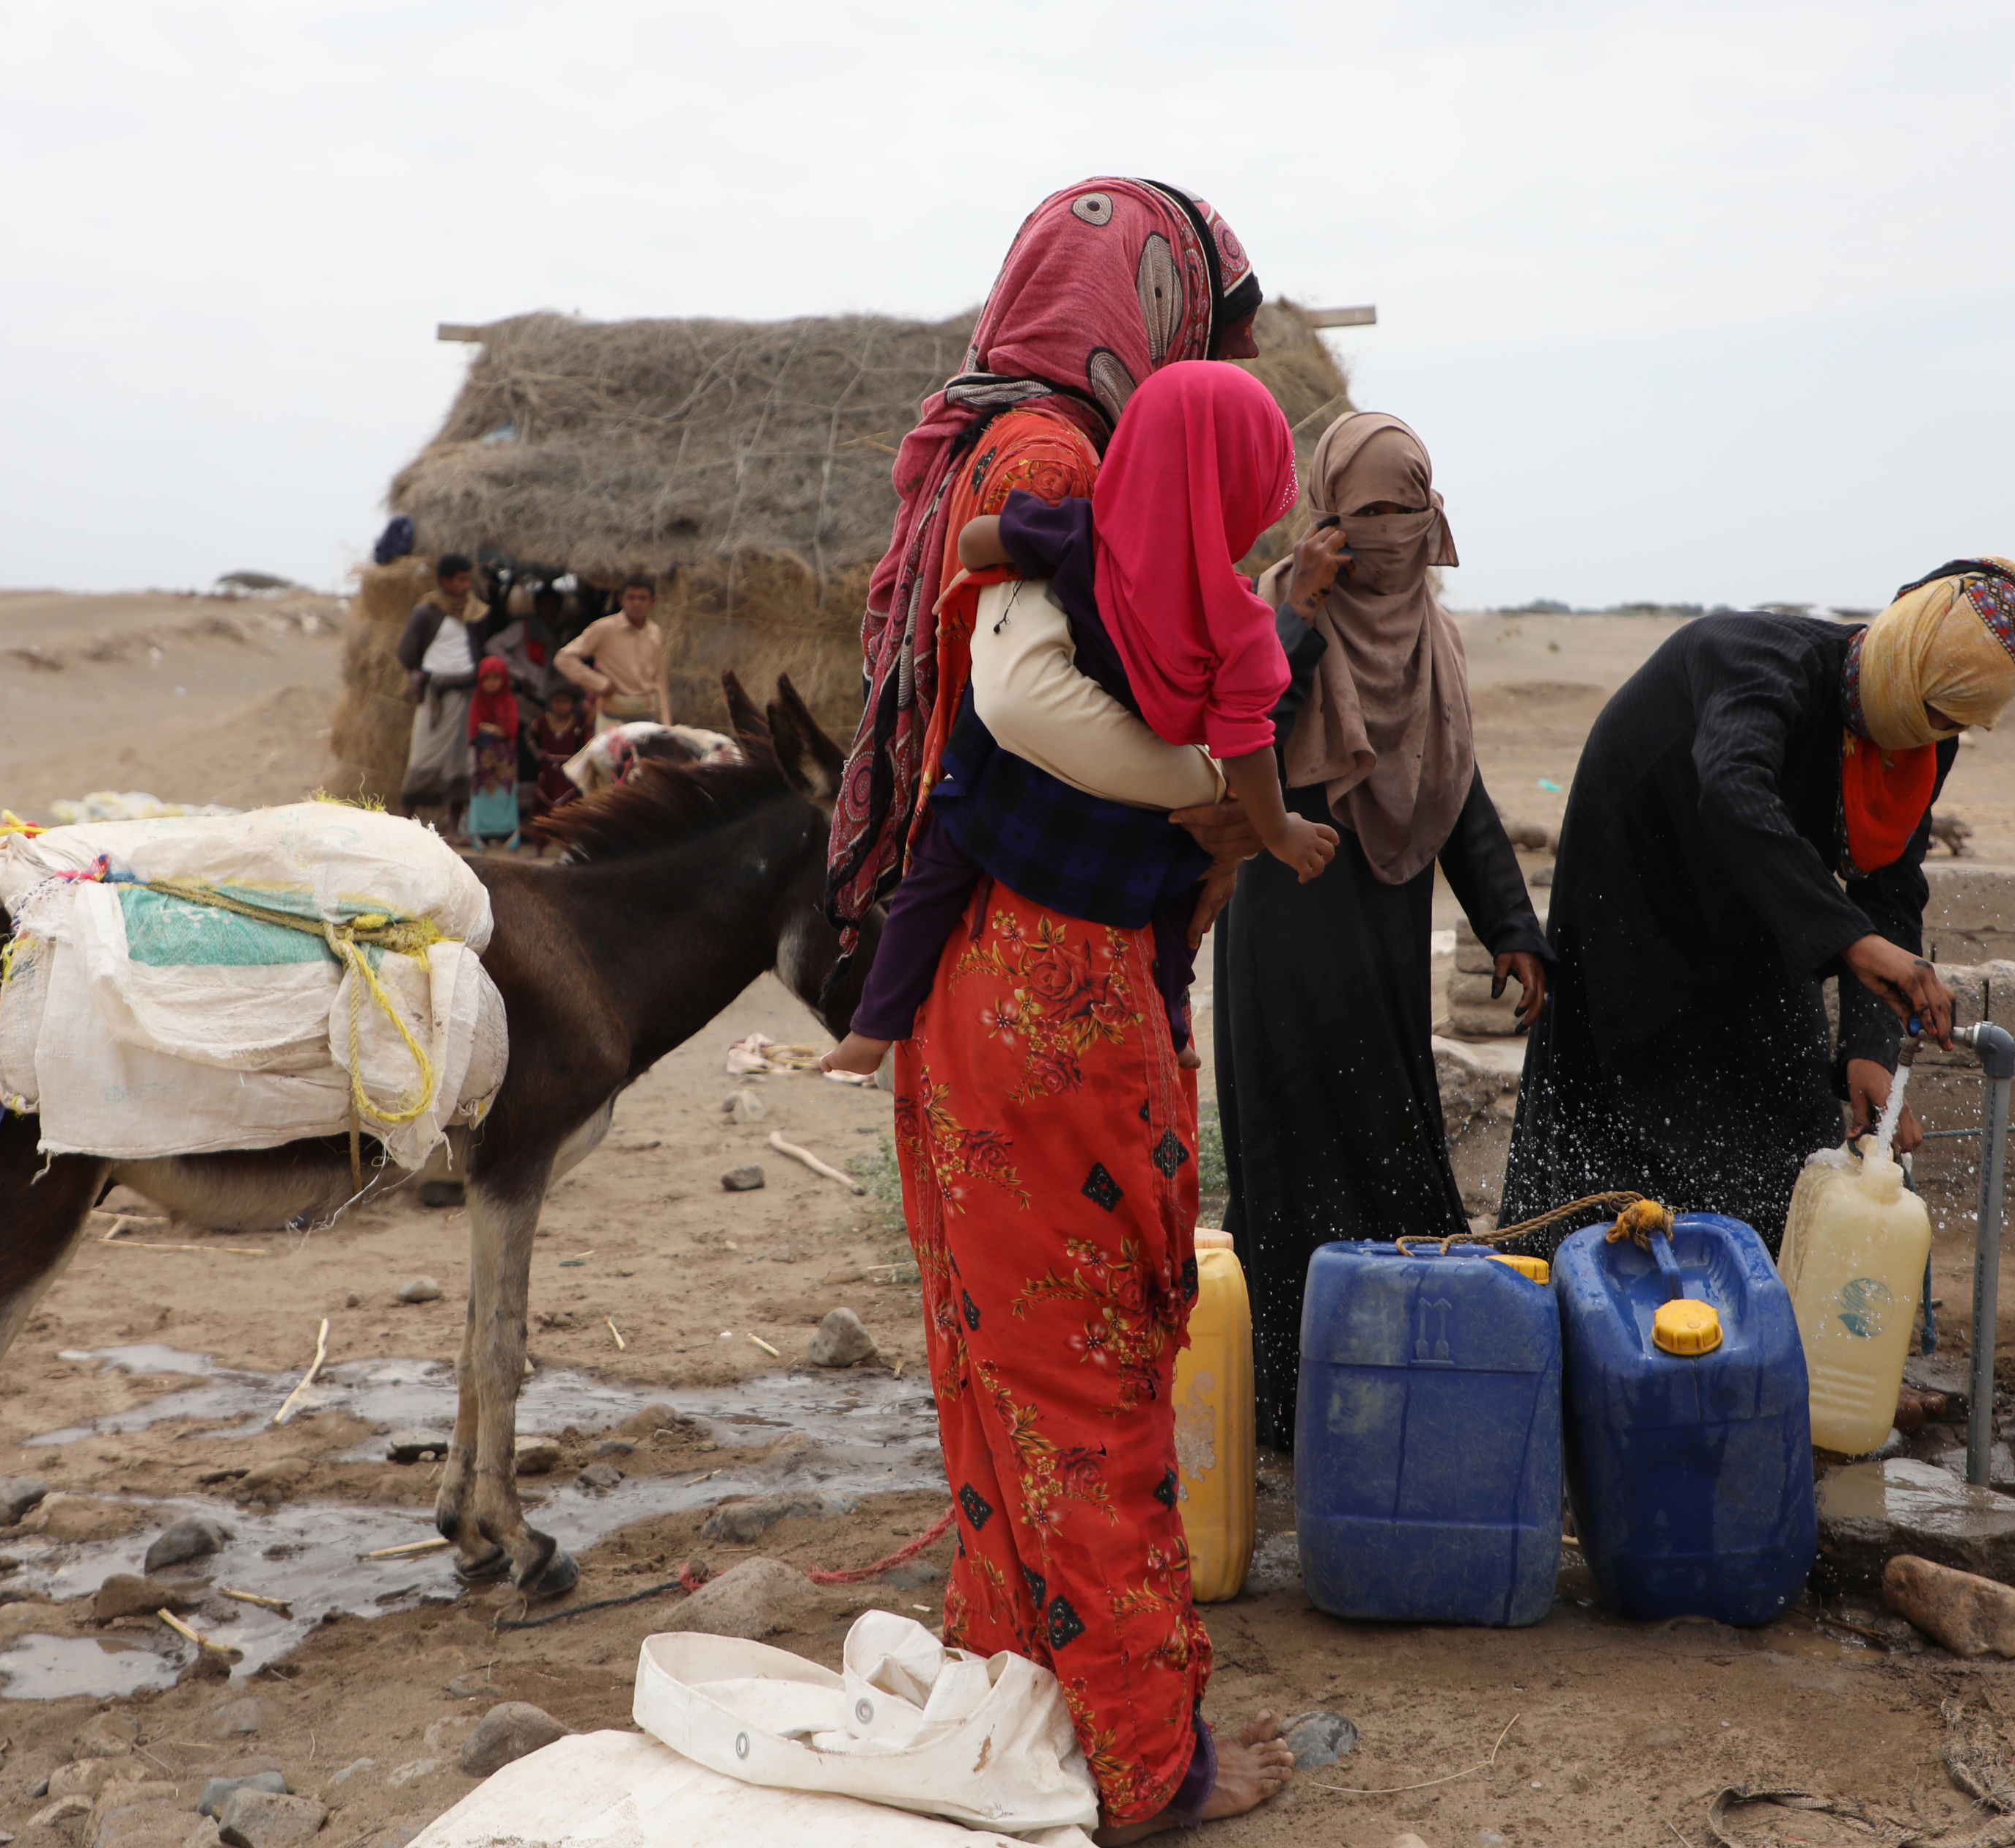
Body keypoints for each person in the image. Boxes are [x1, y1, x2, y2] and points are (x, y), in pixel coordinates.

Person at [821, 177, 1294, 1841]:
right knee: (1091, 1361)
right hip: (1057, 993)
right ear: (1154, 307)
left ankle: (1024, 1694)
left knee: (1000, 1360)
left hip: (975, 987)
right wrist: (1215, 796)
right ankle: (1152, 1762)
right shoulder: (1052, 466)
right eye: (1210, 326)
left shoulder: (973, 445)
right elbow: (1020, 703)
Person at [1497, 558, 2015, 1247]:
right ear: (1902, 649)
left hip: (1767, 899)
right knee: (1620, 1125)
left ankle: (1744, 1312)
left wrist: (1868, 1051)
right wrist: (1855, 945)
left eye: (1954, 723)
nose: (1931, 729)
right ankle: (1586, 1307)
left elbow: (1890, 885)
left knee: (1790, 1110)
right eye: (1932, 706)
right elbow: (1734, 790)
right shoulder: (1753, 659)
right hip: (1636, 899)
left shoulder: (1920, 744)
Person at [821, 363, 1340, 1082]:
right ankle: (1178, 1025)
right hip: (1135, 827)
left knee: (935, 872)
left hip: (1004, 784)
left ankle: (868, 1033)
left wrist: (1008, 557)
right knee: (1179, 906)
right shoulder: (1243, 622)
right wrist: (1278, 830)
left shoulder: (1080, 531)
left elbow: (972, 543)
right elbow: (1246, 740)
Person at [1211, 412, 1551, 1449]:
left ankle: (1396, 1387)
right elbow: (1245, 732)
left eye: (1408, 512)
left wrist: (1511, 924)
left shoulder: (1434, 646)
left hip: (1385, 940)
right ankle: (1281, 1405)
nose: (1390, 535)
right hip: (1285, 925)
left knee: (1388, 1145)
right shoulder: (1270, 612)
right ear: (1324, 518)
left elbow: (1457, 792)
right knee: (1290, 1154)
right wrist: (1304, 610)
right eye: (1366, 515)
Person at [394, 553, 482, 833]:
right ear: (445, 580)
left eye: (469, 579)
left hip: (466, 692)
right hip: (437, 696)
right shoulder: (427, 611)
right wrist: (426, 677)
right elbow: (406, 653)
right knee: (424, 756)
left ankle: (453, 827)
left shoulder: (473, 610)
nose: (467, 585)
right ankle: (405, 823)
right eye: (461, 579)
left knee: (460, 759)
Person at [554, 573, 671, 729]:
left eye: (643, 598)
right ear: (621, 600)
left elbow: (660, 680)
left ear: (653, 602)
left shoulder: (655, 633)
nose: (637, 603)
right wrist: (599, 684)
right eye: (631, 597)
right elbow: (564, 658)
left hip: (647, 718)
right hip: (613, 720)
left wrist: (667, 725)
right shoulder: (604, 628)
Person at [461, 657, 523, 849]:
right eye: (487, 678)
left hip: (505, 758)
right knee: (482, 794)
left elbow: (510, 730)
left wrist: (490, 728)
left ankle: (508, 834)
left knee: (505, 792)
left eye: (496, 677)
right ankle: (480, 834)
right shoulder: (478, 700)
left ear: (504, 679)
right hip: (483, 759)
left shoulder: (509, 700)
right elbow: (474, 730)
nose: (491, 682)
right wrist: (495, 730)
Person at [529, 683, 592, 813]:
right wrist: (536, 751)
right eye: (557, 702)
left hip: (568, 770)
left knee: (568, 804)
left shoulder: (578, 722)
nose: (561, 706)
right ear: (551, 702)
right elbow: (528, 733)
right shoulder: (543, 721)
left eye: (566, 702)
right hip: (547, 770)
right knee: (544, 804)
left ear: (573, 704)